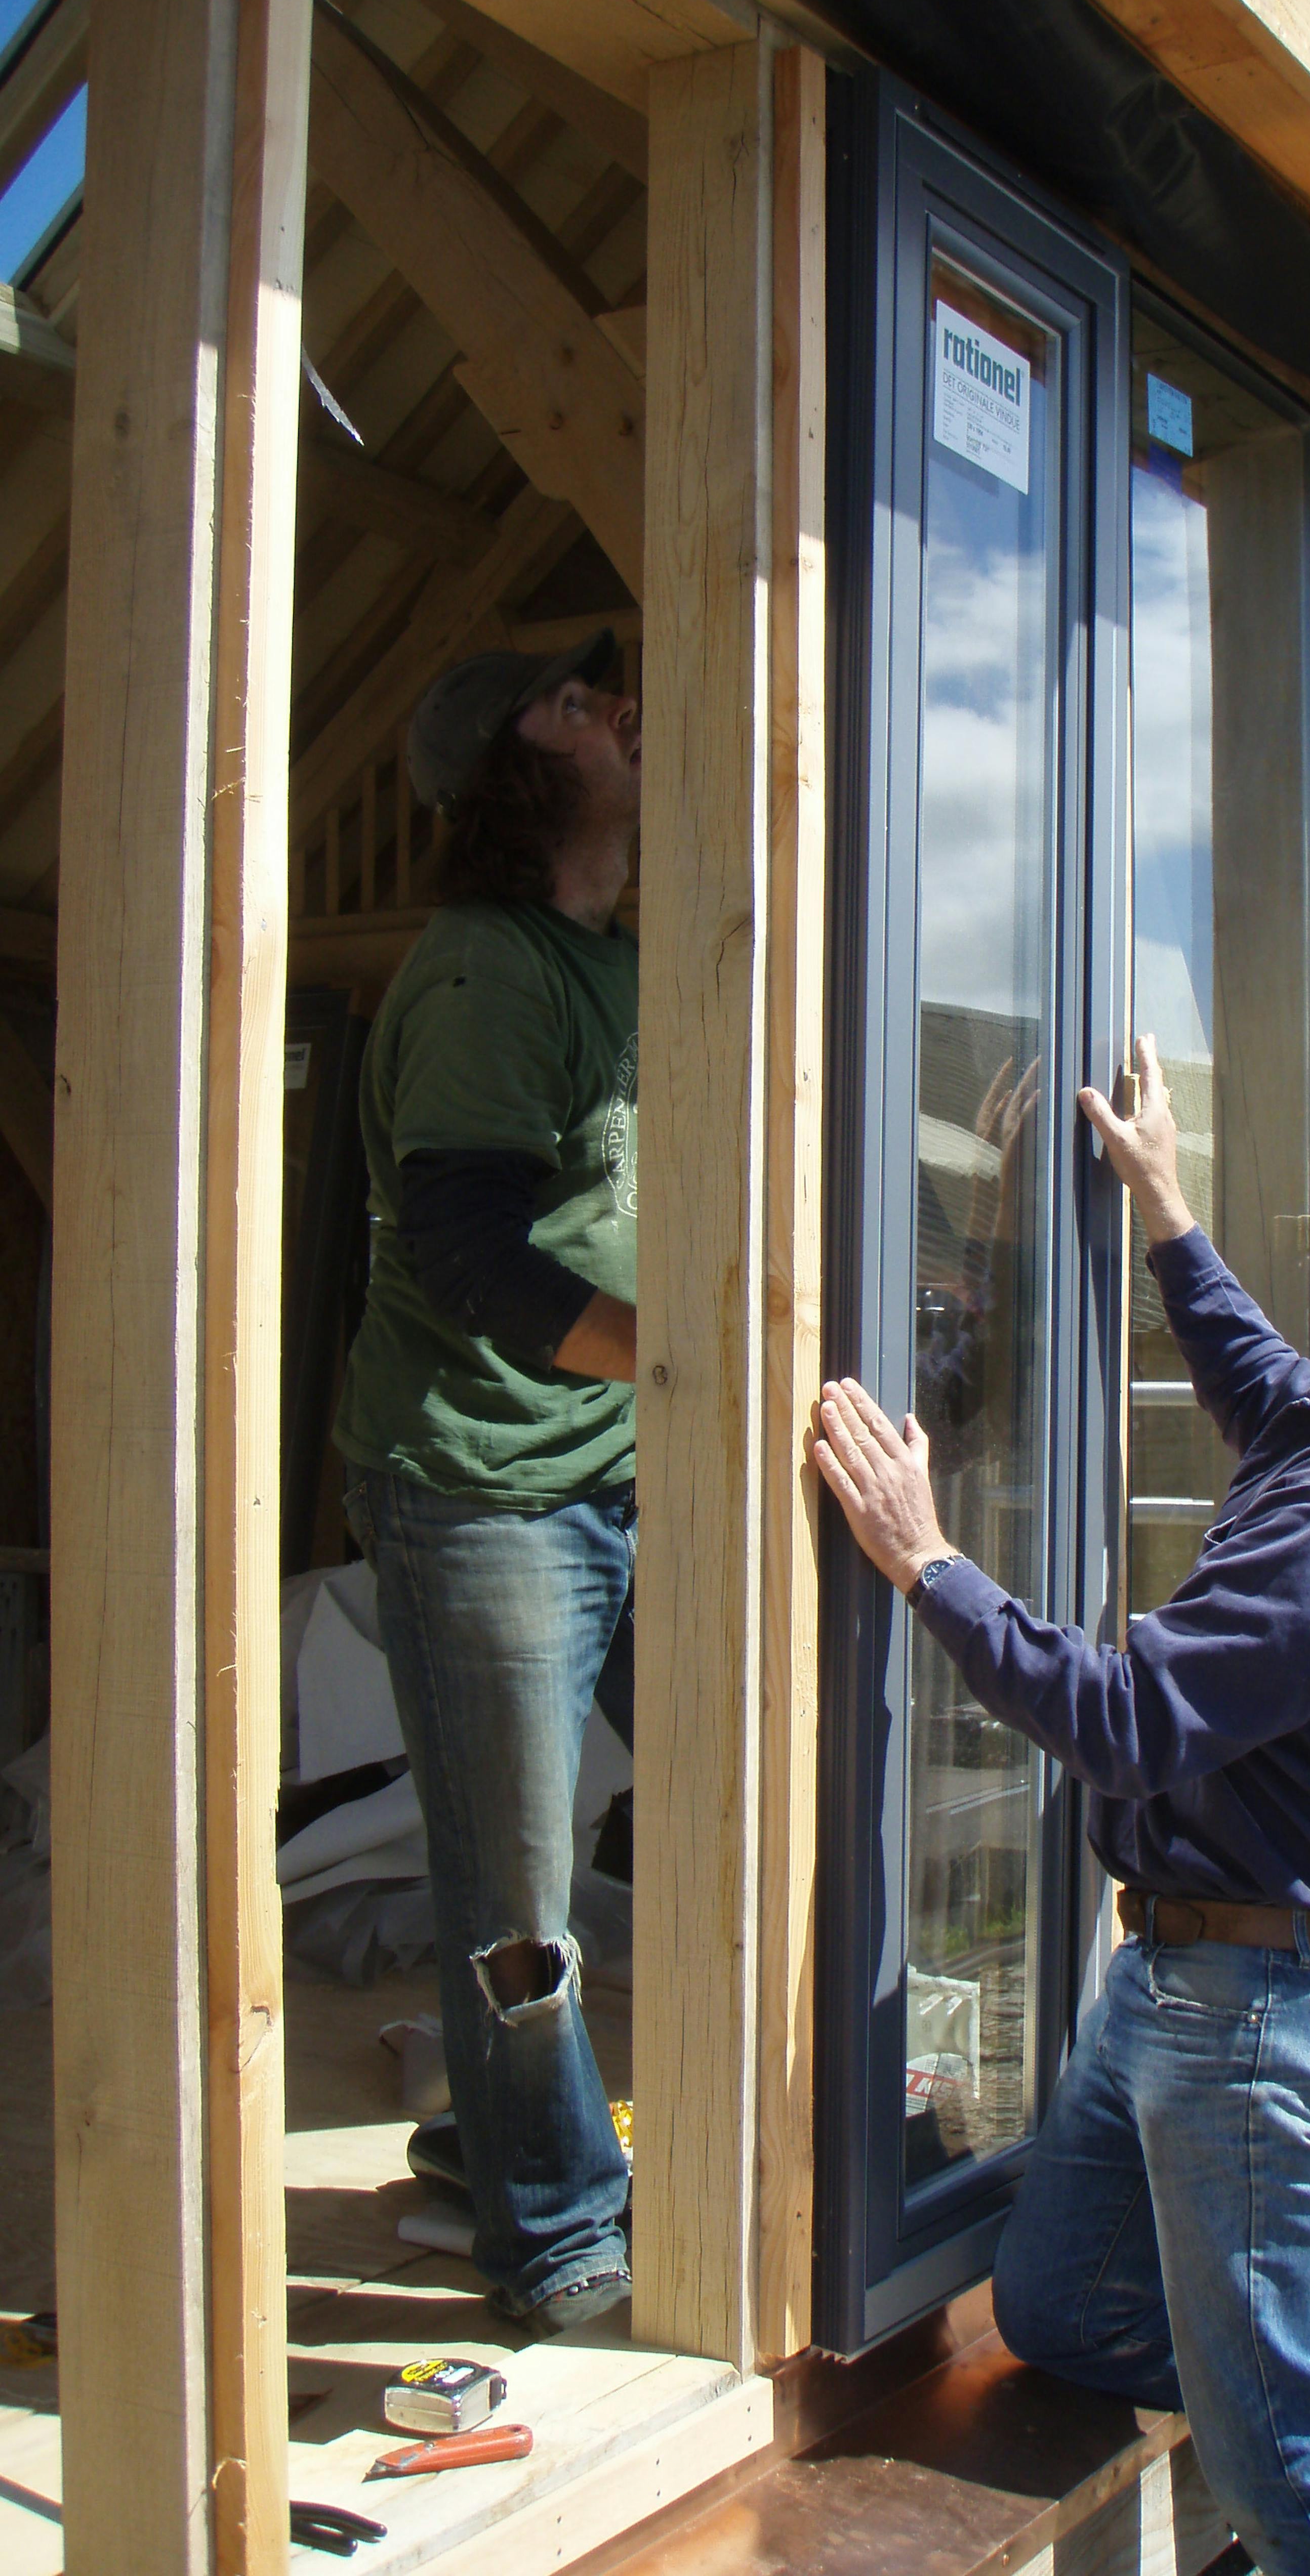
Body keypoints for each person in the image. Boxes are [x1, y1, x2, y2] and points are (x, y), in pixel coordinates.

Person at [810, 1034, 1310, 2576]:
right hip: (1208, 1980)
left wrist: (927, 1558)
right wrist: (1167, 1207)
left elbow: (1130, 1724)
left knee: (1295, 2476)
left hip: (1265, 2013)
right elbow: (1271, 1395)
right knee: (1065, 2310)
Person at [334, 630, 643, 2335]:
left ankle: (490, 2136)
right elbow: (473, 1250)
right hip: (484, 1490)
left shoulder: (627, 965)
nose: (622, 715)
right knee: (518, 1897)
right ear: (523, 770)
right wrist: (684, 1370)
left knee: (754, 1798)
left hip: (628, 1468)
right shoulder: (481, 974)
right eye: (586, 705)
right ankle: (549, 2229)